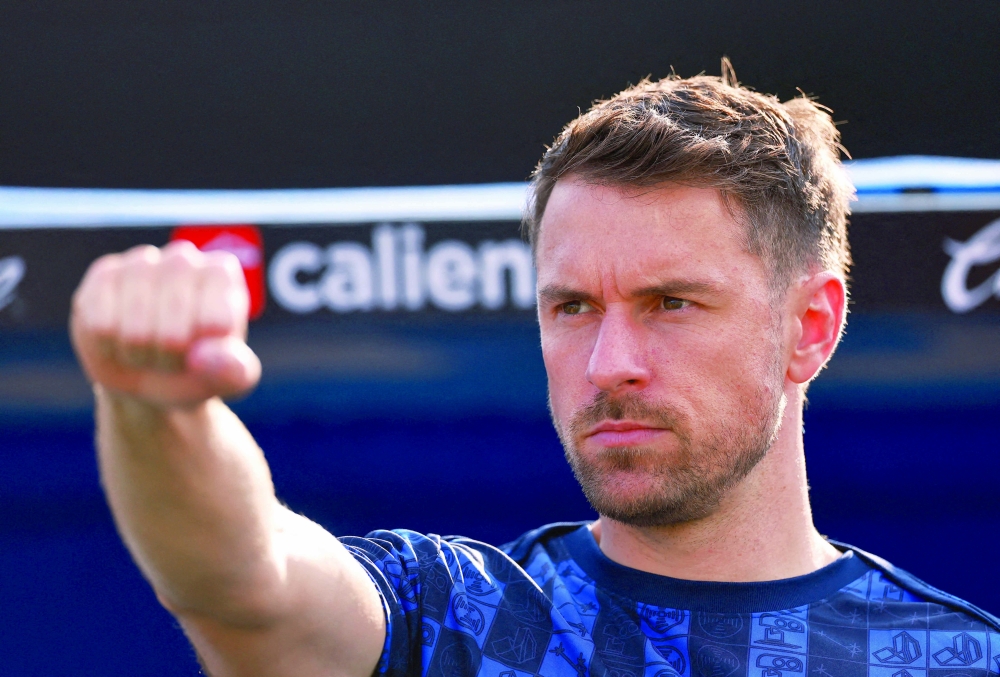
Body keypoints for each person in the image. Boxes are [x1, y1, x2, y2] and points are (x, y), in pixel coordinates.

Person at [70, 64, 999, 677]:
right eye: (573, 307)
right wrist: (154, 409)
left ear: (811, 327)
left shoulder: (952, 657)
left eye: (671, 302)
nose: (610, 363)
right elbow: (245, 579)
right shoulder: (452, 618)